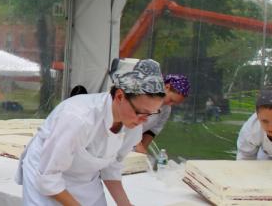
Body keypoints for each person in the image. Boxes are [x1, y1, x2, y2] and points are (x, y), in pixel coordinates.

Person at [17, 59, 166, 206]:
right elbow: (48, 178)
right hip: (46, 171)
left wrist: (125, 204)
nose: (144, 120)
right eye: (141, 112)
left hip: (84, 178)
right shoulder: (78, 118)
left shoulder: (133, 125)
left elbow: (112, 166)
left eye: (151, 113)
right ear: (120, 96)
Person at [134, 74, 190, 153]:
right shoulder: (143, 95)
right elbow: (130, 123)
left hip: (132, 145)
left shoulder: (166, 109)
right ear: (166, 87)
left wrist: (143, 149)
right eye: (171, 100)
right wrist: (137, 145)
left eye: (175, 103)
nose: (171, 104)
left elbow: (152, 131)